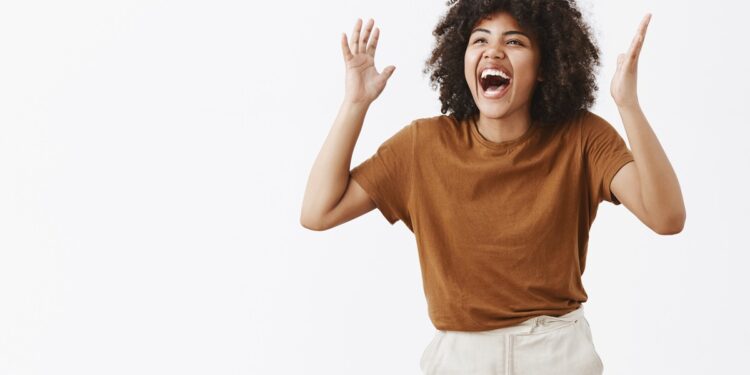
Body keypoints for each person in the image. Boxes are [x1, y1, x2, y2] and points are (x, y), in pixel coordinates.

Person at [300, 0, 685, 373]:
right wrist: (355, 103)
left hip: (556, 354)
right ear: (461, 58)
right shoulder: (422, 145)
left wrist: (628, 104)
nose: (493, 52)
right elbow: (319, 211)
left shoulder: (581, 137)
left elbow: (665, 216)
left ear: (545, 67)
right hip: (459, 359)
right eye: (480, 40)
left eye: (514, 41)